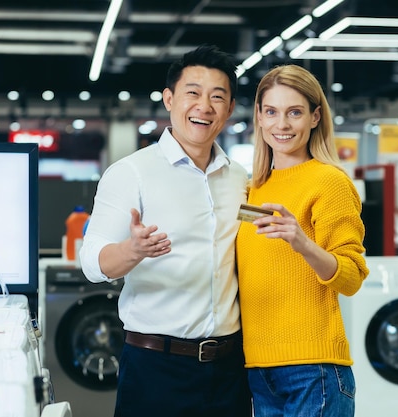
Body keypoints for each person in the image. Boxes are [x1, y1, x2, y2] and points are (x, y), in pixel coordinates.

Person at [79, 45, 251, 417]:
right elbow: (92, 261)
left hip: (230, 369)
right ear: (169, 99)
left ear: (230, 109)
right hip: (156, 367)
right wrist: (132, 251)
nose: (204, 106)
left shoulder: (240, 178)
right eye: (193, 92)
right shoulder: (131, 173)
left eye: (217, 96)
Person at [236, 64, 369, 417]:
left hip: (314, 370)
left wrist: (302, 242)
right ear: (259, 119)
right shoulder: (253, 189)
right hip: (257, 368)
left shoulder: (330, 182)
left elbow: (352, 276)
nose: (282, 124)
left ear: (315, 117)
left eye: (294, 112)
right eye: (272, 112)